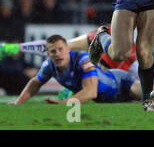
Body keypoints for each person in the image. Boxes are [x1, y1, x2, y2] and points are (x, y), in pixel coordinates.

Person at [0, 25, 154, 95]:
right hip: (119, 58)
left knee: (149, 89)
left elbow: (95, 76)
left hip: (126, 67)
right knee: (62, 46)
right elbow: (57, 46)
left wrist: (69, 93)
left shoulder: (126, 53)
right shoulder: (99, 36)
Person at [9, 35, 143, 105]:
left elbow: (91, 92)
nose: (57, 54)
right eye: (53, 51)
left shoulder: (82, 58)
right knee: (134, 104)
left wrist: (62, 103)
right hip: (112, 99)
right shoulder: (49, 65)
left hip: (121, 83)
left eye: (61, 49)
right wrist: (18, 102)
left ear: (68, 49)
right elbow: (35, 83)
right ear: (48, 54)